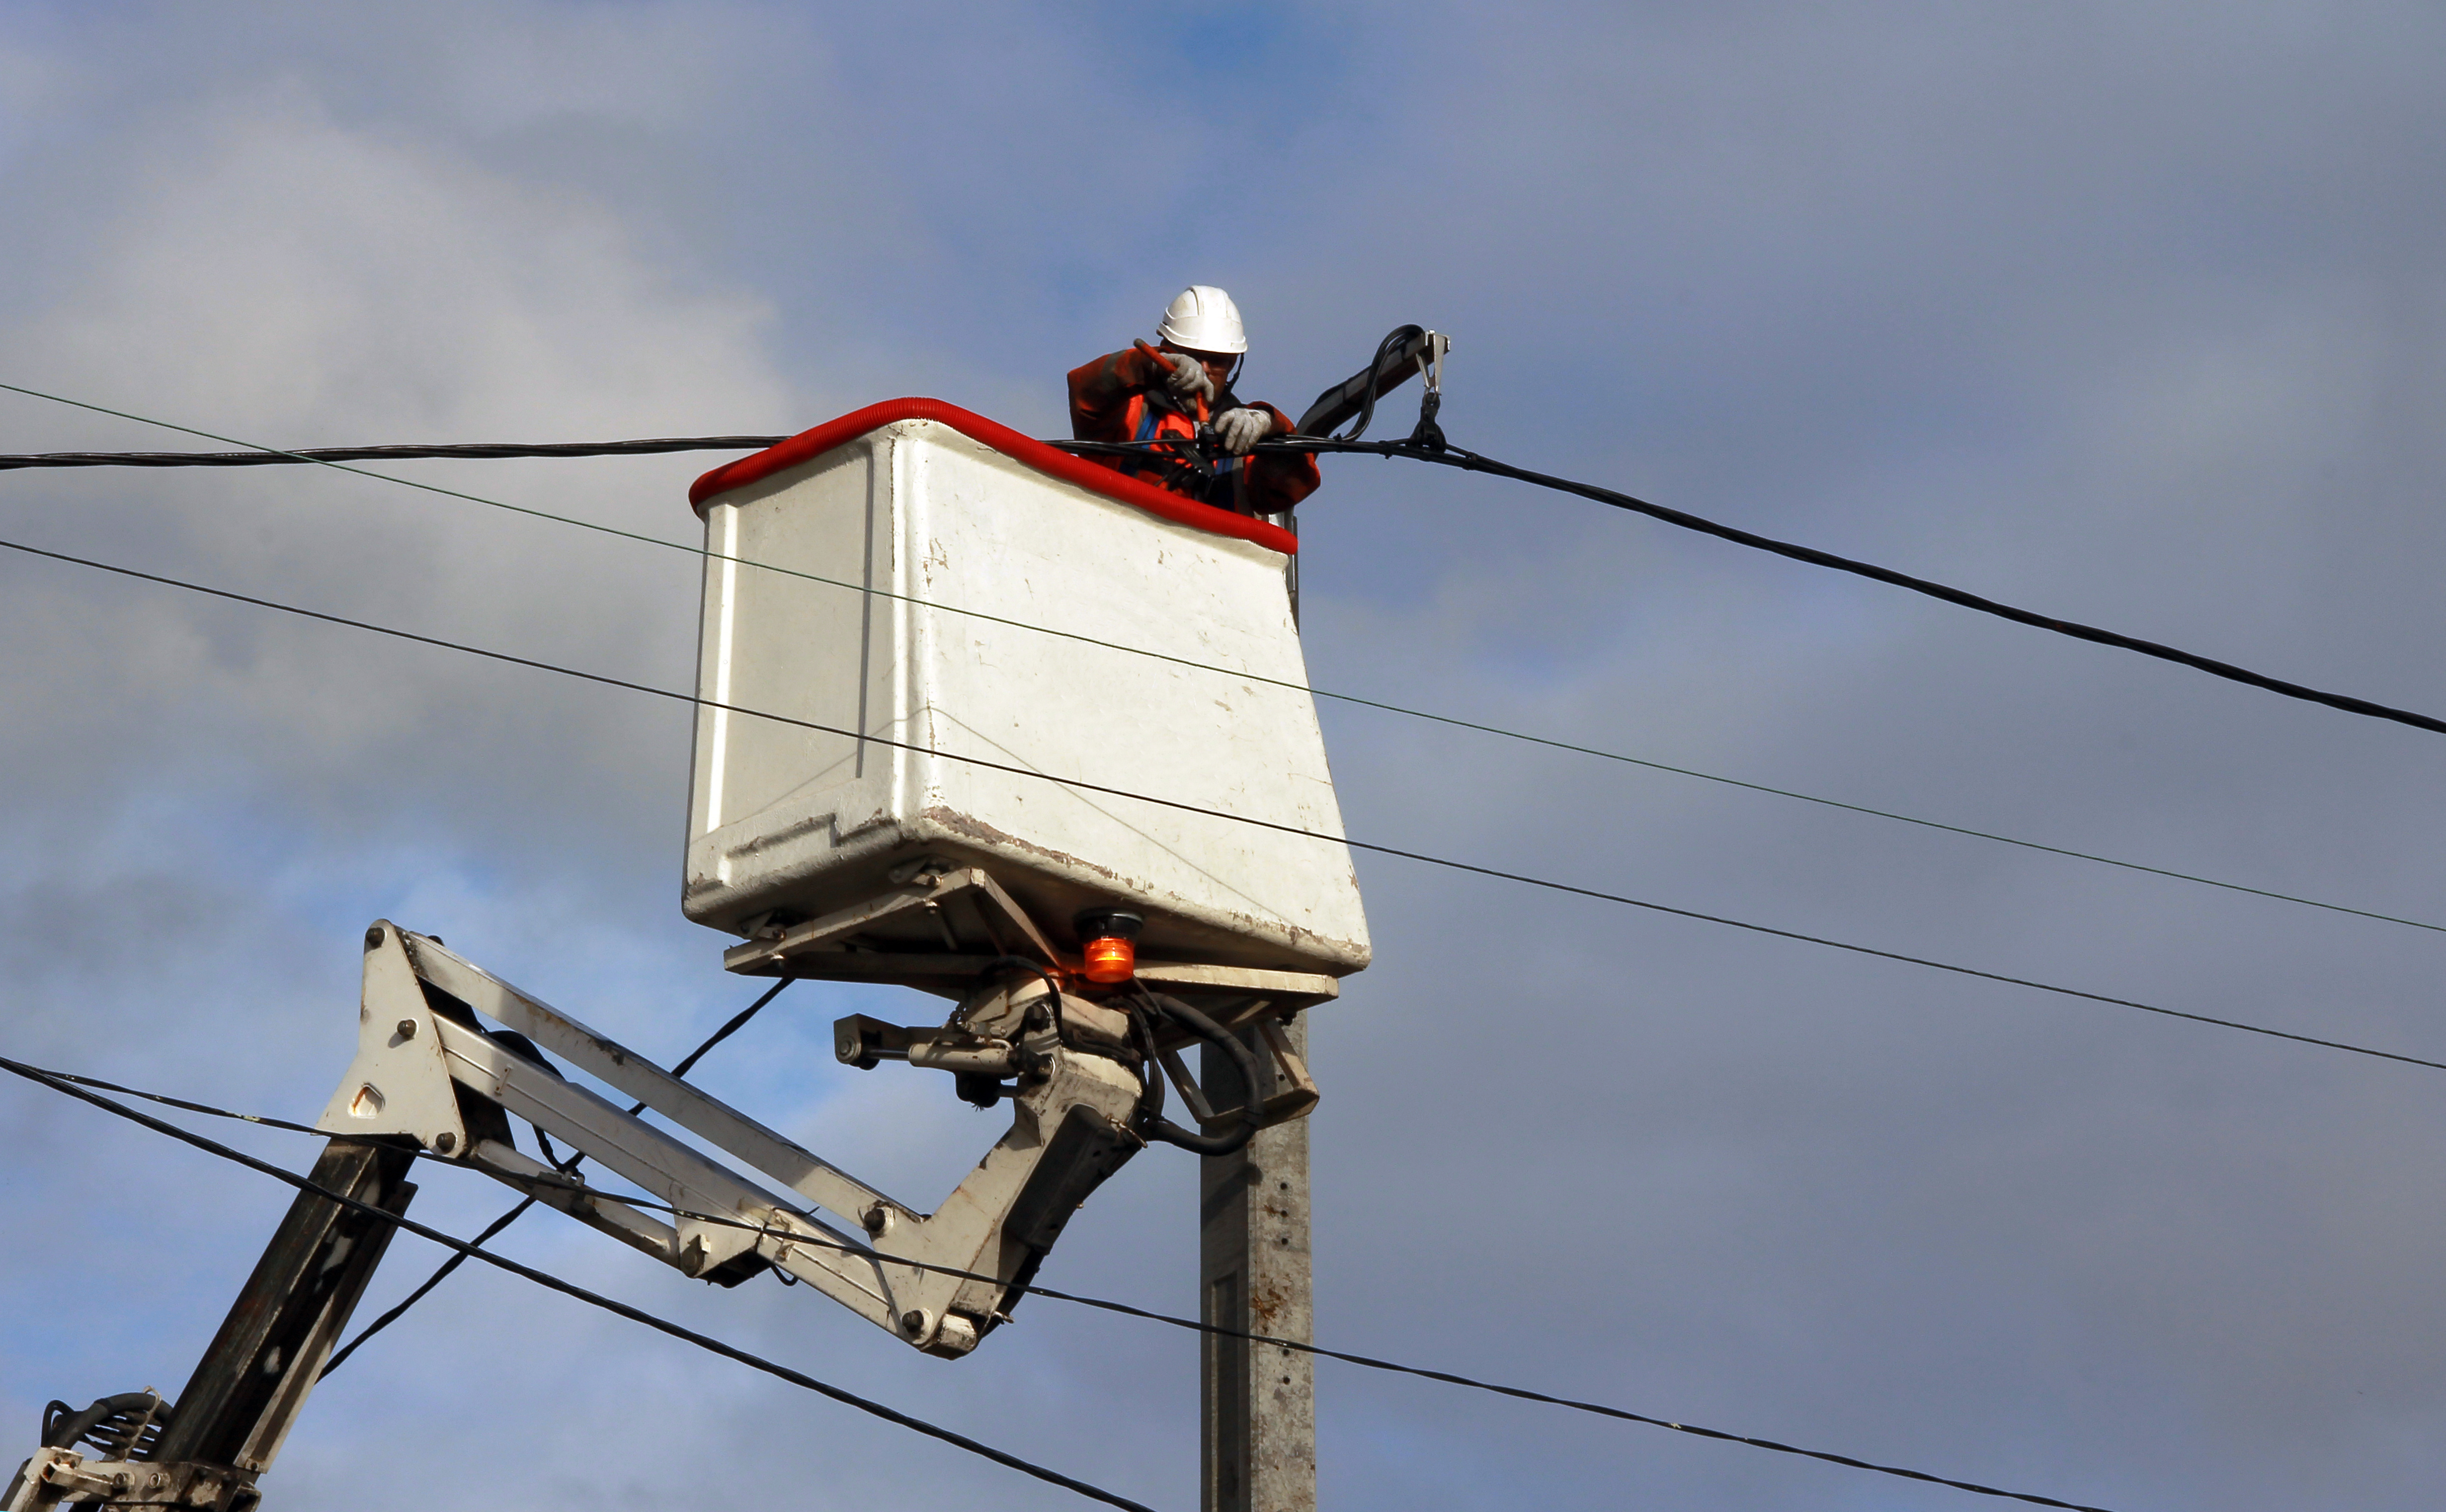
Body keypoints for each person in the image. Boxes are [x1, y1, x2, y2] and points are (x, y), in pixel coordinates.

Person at [1068, 286, 1321, 517]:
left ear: (1233, 363)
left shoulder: (1245, 440)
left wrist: (1270, 424)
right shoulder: (1130, 412)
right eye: (1193, 355)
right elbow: (1088, 388)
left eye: (1217, 360)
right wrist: (1153, 367)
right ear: (1167, 348)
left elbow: (1291, 487)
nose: (1205, 368)